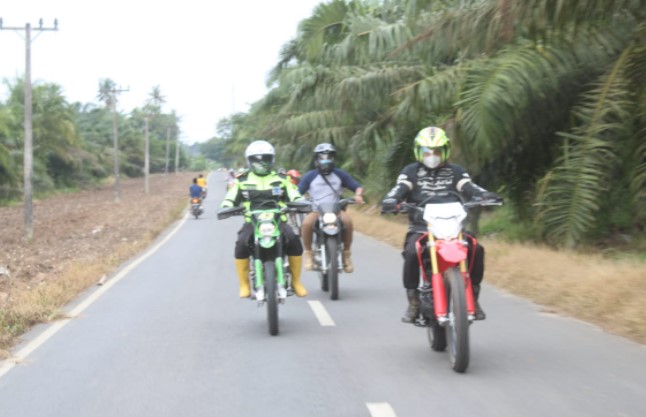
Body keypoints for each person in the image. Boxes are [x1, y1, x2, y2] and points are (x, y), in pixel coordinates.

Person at [380, 126, 501, 323]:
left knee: (476, 249)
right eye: (427, 151)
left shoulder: (456, 171)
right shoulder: (410, 171)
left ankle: (474, 297)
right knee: (412, 252)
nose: (432, 156)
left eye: (436, 151)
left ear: (445, 150)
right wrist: (391, 200)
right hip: (422, 228)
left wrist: (485, 195)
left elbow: (470, 188)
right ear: (418, 151)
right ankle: (413, 302)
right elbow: (399, 189)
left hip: (453, 228)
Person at [218, 140, 309, 298]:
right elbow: (230, 198)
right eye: (257, 160)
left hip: (278, 221)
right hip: (252, 222)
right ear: (250, 161)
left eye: (265, 159)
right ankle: (244, 284)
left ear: (271, 160)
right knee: (241, 244)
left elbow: (295, 194)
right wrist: (226, 207)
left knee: (294, 240)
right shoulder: (241, 181)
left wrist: (300, 203)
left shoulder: (282, 179)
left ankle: (296, 282)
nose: (261, 163)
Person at [298, 143, 364, 273]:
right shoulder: (309, 176)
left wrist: (358, 195)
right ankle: (309, 255)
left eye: (329, 157)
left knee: (348, 222)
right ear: (316, 159)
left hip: (336, 210)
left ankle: (346, 255)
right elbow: (297, 192)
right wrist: (296, 201)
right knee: (306, 224)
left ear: (333, 158)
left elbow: (357, 186)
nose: (325, 160)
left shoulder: (340, 174)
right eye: (322, 158)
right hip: (316, 210)